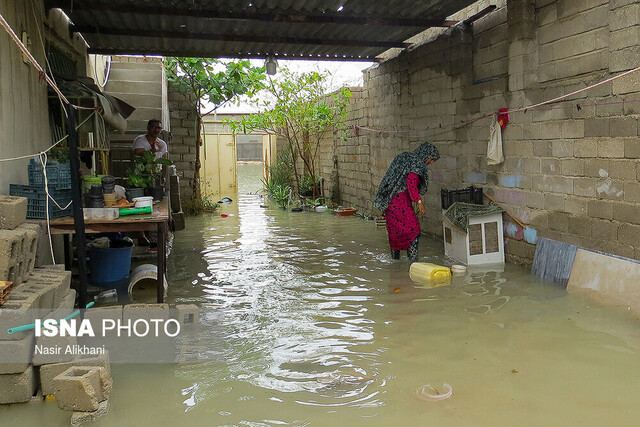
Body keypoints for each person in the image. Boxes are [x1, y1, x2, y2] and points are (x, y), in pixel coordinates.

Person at [373, 142, 440, 260]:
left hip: (390, 201)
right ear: (425, 154)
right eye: (431, 159)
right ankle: (413, 263)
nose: (431, 162)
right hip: (400, 202)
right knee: (414, 230)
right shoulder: (417, 163)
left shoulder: (406, 158)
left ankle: (395, 266)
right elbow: (411, 183)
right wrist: (419, 202)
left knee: (395, 232)